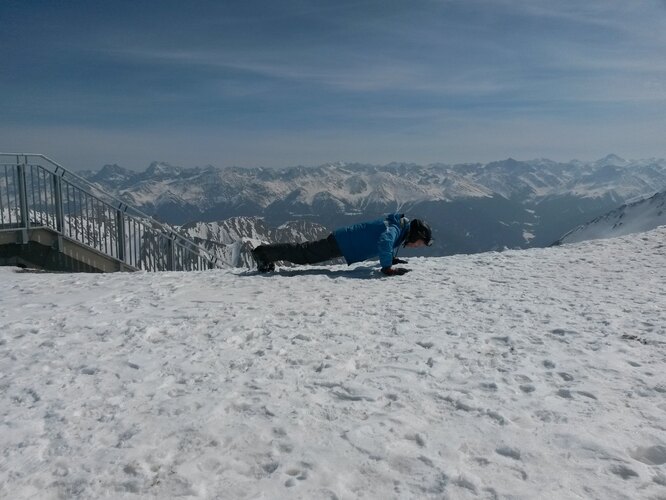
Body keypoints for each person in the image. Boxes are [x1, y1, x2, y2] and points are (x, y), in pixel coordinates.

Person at [251, 213, 432, 276]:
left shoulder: (398, 229)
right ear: (415, 235)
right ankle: (263, 254)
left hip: (345, 241)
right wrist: (387, 268)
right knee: (304, 254)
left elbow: (386, 242)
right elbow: (385, 241)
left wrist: (391, 260)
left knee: (305, 253)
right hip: (343, 243)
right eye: (420, 242)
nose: (418, 246)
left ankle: (265, 255)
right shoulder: (395, 228)